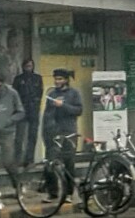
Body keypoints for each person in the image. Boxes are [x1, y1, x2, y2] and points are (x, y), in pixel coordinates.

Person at [42, 68, 83, 201]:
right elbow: (47, 115)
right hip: (54, 132)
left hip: (69, 132)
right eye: (55, 79)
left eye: (60, 79)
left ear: (66, 80)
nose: (57, 81)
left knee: (68, 163)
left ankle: (69, 193)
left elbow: (78, 110)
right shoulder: (52, 94)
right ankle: (52, 192)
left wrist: (63, 105)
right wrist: (46, 132)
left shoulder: (74, 93)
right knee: (50, 162)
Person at [12, 58, 43, 165]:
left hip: (33, 110)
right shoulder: (18, 79)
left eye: (30, 66)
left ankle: (29, 159)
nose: (28, 68)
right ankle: (17, 159)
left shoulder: (37, 78)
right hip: (22, 109)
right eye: (27, 66)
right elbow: (14, 95)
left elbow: (40, 93)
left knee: (32, 136)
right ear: (23, 67)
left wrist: (36, 105)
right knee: (19, 137)